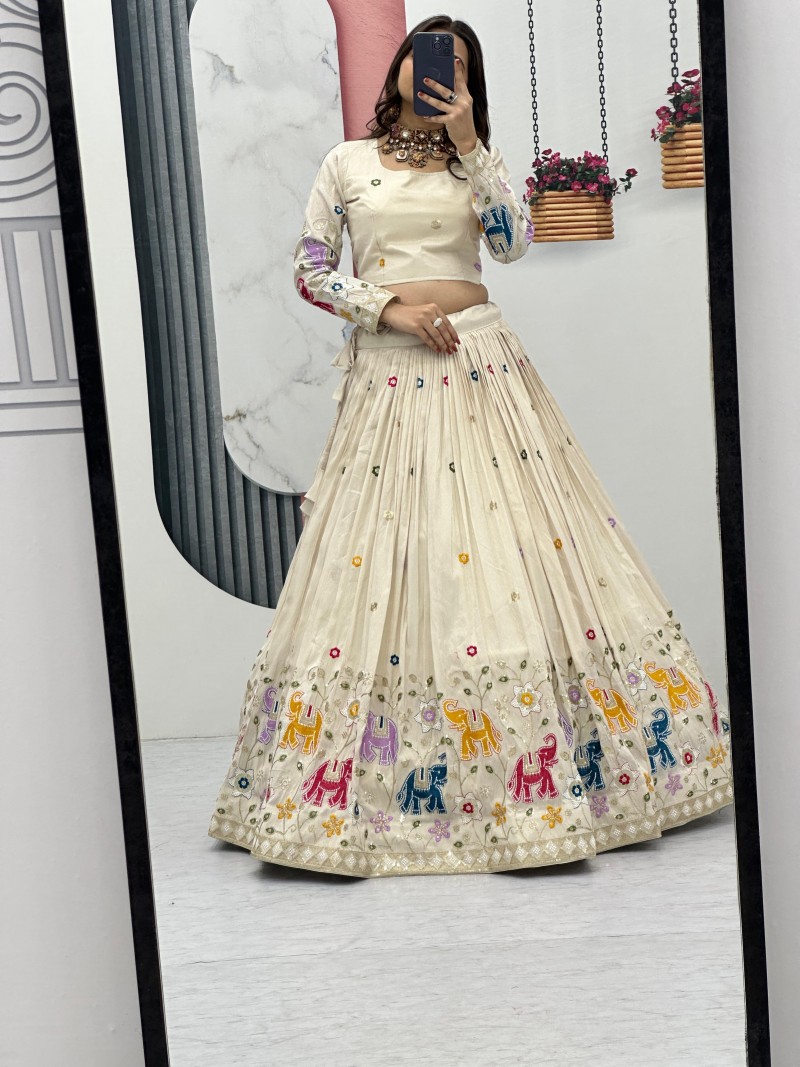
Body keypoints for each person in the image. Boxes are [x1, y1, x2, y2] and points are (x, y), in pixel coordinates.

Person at [208, 16, 733, 878]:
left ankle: (552, 780)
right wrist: (388, 308)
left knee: (508, 548)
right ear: (399, 67)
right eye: (425, 55)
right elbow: (311, 268)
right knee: (389, 554)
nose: (436, 70)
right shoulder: (347, 162)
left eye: (455, 64)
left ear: (468, 84)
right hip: (389, 371)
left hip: (480, 361)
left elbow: (511, 244)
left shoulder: (471, 162)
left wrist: (470, 147)